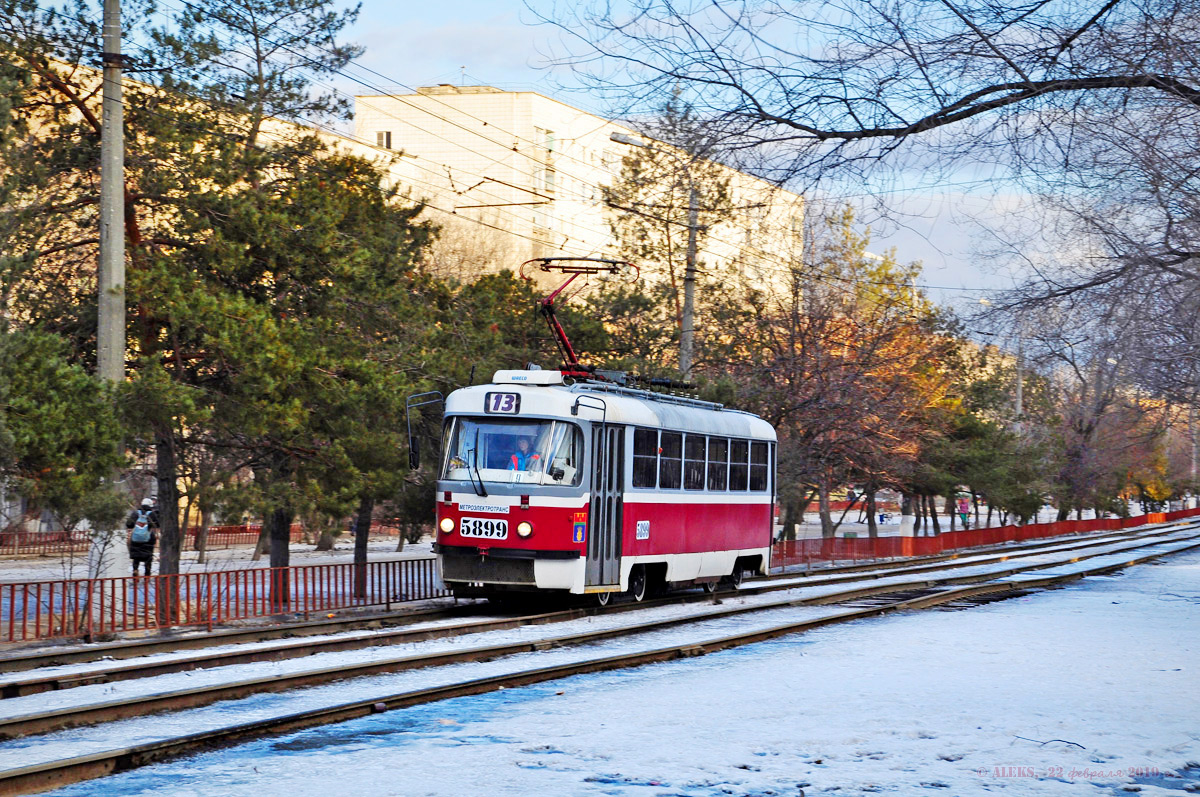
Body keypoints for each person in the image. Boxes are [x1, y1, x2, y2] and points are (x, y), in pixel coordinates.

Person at [126, 498, 159, 576]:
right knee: (148, 557)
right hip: (148, 540)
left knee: (136, 557)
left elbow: (129, 524)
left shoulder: (136, 513)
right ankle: (147, 574)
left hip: (136, 539)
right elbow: (158, 524)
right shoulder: (152, 514)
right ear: (150, 506)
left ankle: (135, 570)